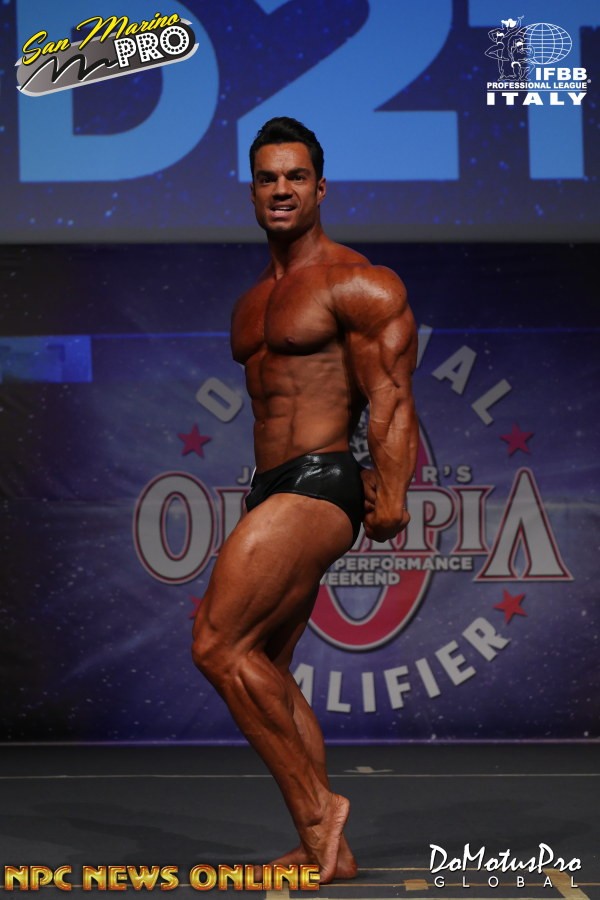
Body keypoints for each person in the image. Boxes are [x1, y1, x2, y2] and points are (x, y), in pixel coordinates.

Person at [192, 117, 418, 884]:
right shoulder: (251, 303)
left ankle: (322, 813)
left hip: (324, 481)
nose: (281, 189)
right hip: (270, 485)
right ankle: (329, 850)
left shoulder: (357, 281)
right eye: (267, 178)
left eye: (295, 176)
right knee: (266, 666)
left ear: (320, 188)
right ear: (253, 191)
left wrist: (392, 491)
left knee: (217, 645)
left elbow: (391, 395)